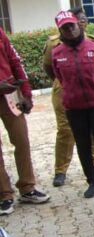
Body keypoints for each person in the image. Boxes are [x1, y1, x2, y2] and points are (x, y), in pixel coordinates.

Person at [50, 11, 94, 198]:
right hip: (74, 107)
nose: (70, 30)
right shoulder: (57, 53)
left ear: (78, 25)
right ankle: (92, 181)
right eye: (65, 28)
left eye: (72, 26)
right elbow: (58, 76)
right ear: (60, 31)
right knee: (82, 143)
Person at [43, 7, 94, 187]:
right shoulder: (53, 44)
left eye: (83, 20)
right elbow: (49, 68)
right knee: (65, 130)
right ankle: (60, 170)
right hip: (64, 91)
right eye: (77, 20)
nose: (80, 23)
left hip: (91, 93)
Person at [0, 28, 50, 215]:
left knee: (22, 141)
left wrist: (27, 94)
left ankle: (27, 188)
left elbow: (15, 61)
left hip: (10, 95)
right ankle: (4, 195)